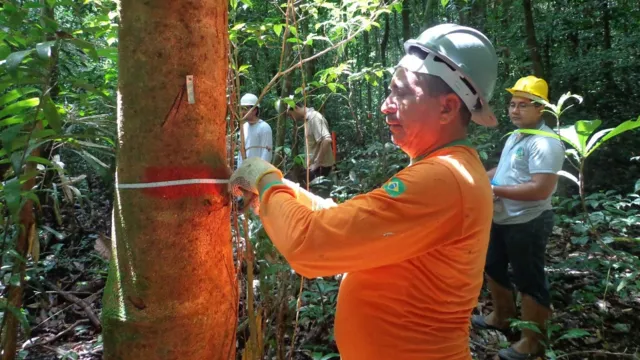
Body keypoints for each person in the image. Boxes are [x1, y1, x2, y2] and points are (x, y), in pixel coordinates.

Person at [230, 24, 498, 359]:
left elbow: (311, 245)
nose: (386, 106)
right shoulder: (445, 171)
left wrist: (266, 179)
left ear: (446, 107)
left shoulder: (444, 179)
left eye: (400, 93)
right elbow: (343, 221)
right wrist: (280, 190)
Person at [471, 75, 565, 360]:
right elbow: (504, 170)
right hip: (501, 217)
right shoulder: (516, 135)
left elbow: (541, 189)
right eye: (512, 104)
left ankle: (532, 339)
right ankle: (502, 316)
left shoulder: (546, 143)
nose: (514, 110)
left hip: (528, 222)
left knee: (529, 278)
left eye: (523, 105)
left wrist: (494, 190)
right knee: (493, 266)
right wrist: (477, 181)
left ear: (541, 110)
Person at [286, 101, 335, 181]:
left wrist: (317, 162)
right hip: (314, 168)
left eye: (290, 114)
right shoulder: (307, 120)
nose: (290, 117)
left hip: (321, 168)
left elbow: (326, 140)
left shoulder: (315, 118)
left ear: (296, 108)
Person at [237, 93, 273, 167]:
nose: (243, 112)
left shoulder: (264, 127)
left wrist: (259, 173)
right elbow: (240, 154)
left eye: (245, 109)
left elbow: (266, 153)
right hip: (244, 172)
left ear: (255, 110)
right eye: (242, 109)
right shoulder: (243, 127)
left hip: (257, 172)